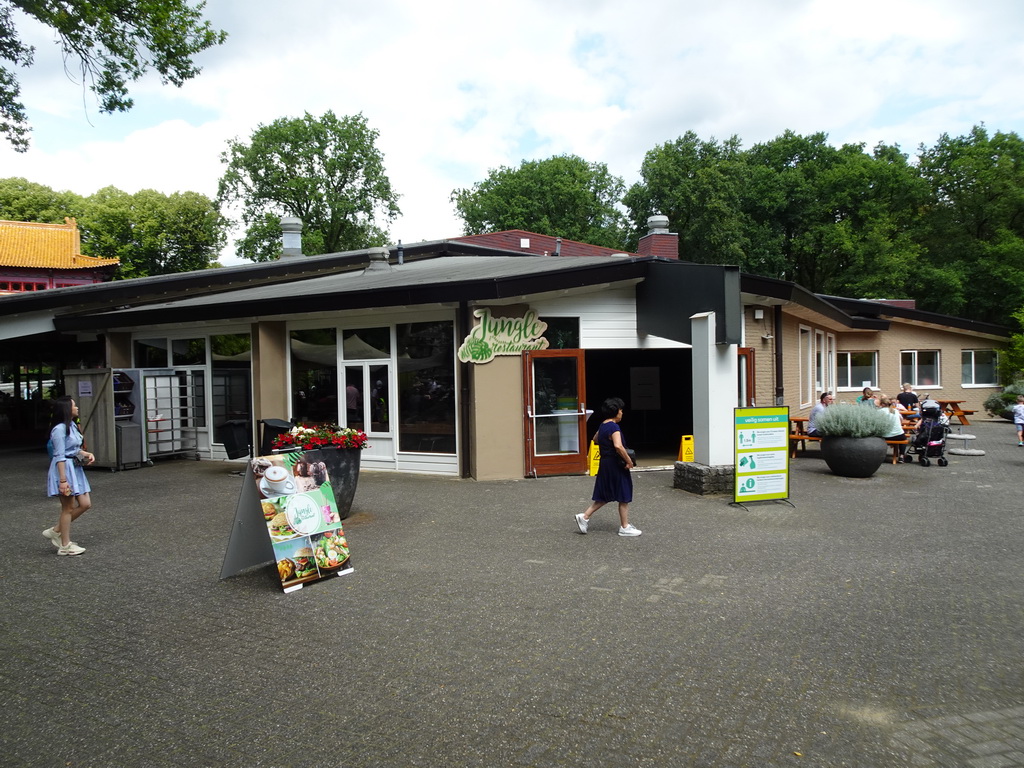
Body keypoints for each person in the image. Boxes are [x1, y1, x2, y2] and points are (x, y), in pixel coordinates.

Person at [575, 397, 641, 537]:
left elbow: (595, 439)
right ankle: (625, 527)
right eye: (621, 410)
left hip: (605, 463)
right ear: (616, 411)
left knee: (605, 493)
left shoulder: (603, 425)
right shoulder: (614, 427)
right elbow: (618, 446)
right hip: (615, 464)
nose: (622, 413)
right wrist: (629, 461)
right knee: (624, 493)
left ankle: (584, 516)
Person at [42, 396, 95, 556]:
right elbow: (59, 455)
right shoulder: (59, 429)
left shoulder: (72, 425)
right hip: (64, 470)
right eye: (74, 405)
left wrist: (86, 453)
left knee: (85, 504)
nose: (77, 407)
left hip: (75, 468)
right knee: (68, 507)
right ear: (66, 409)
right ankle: (65, 545)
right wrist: (63, 480)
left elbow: (73, 449)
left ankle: (57, 530)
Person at [878, 397, 908, 462]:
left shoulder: (879, 412)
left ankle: (879, 455)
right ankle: (901, 455)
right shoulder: (895, 411)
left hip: (885, 435)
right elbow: (901, 421)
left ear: (882, 404)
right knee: (904, 438)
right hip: (898, 434)